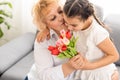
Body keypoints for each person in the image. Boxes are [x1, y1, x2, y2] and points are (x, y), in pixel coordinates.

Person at [36, 0, 120, 80]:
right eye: (53, 18)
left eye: (60, 11)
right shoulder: (44, 39)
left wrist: (110, 70)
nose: (61, 18)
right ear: (46, 24)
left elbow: (108, 54)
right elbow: (44, 76)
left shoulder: (78, 26)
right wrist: (45, 29)